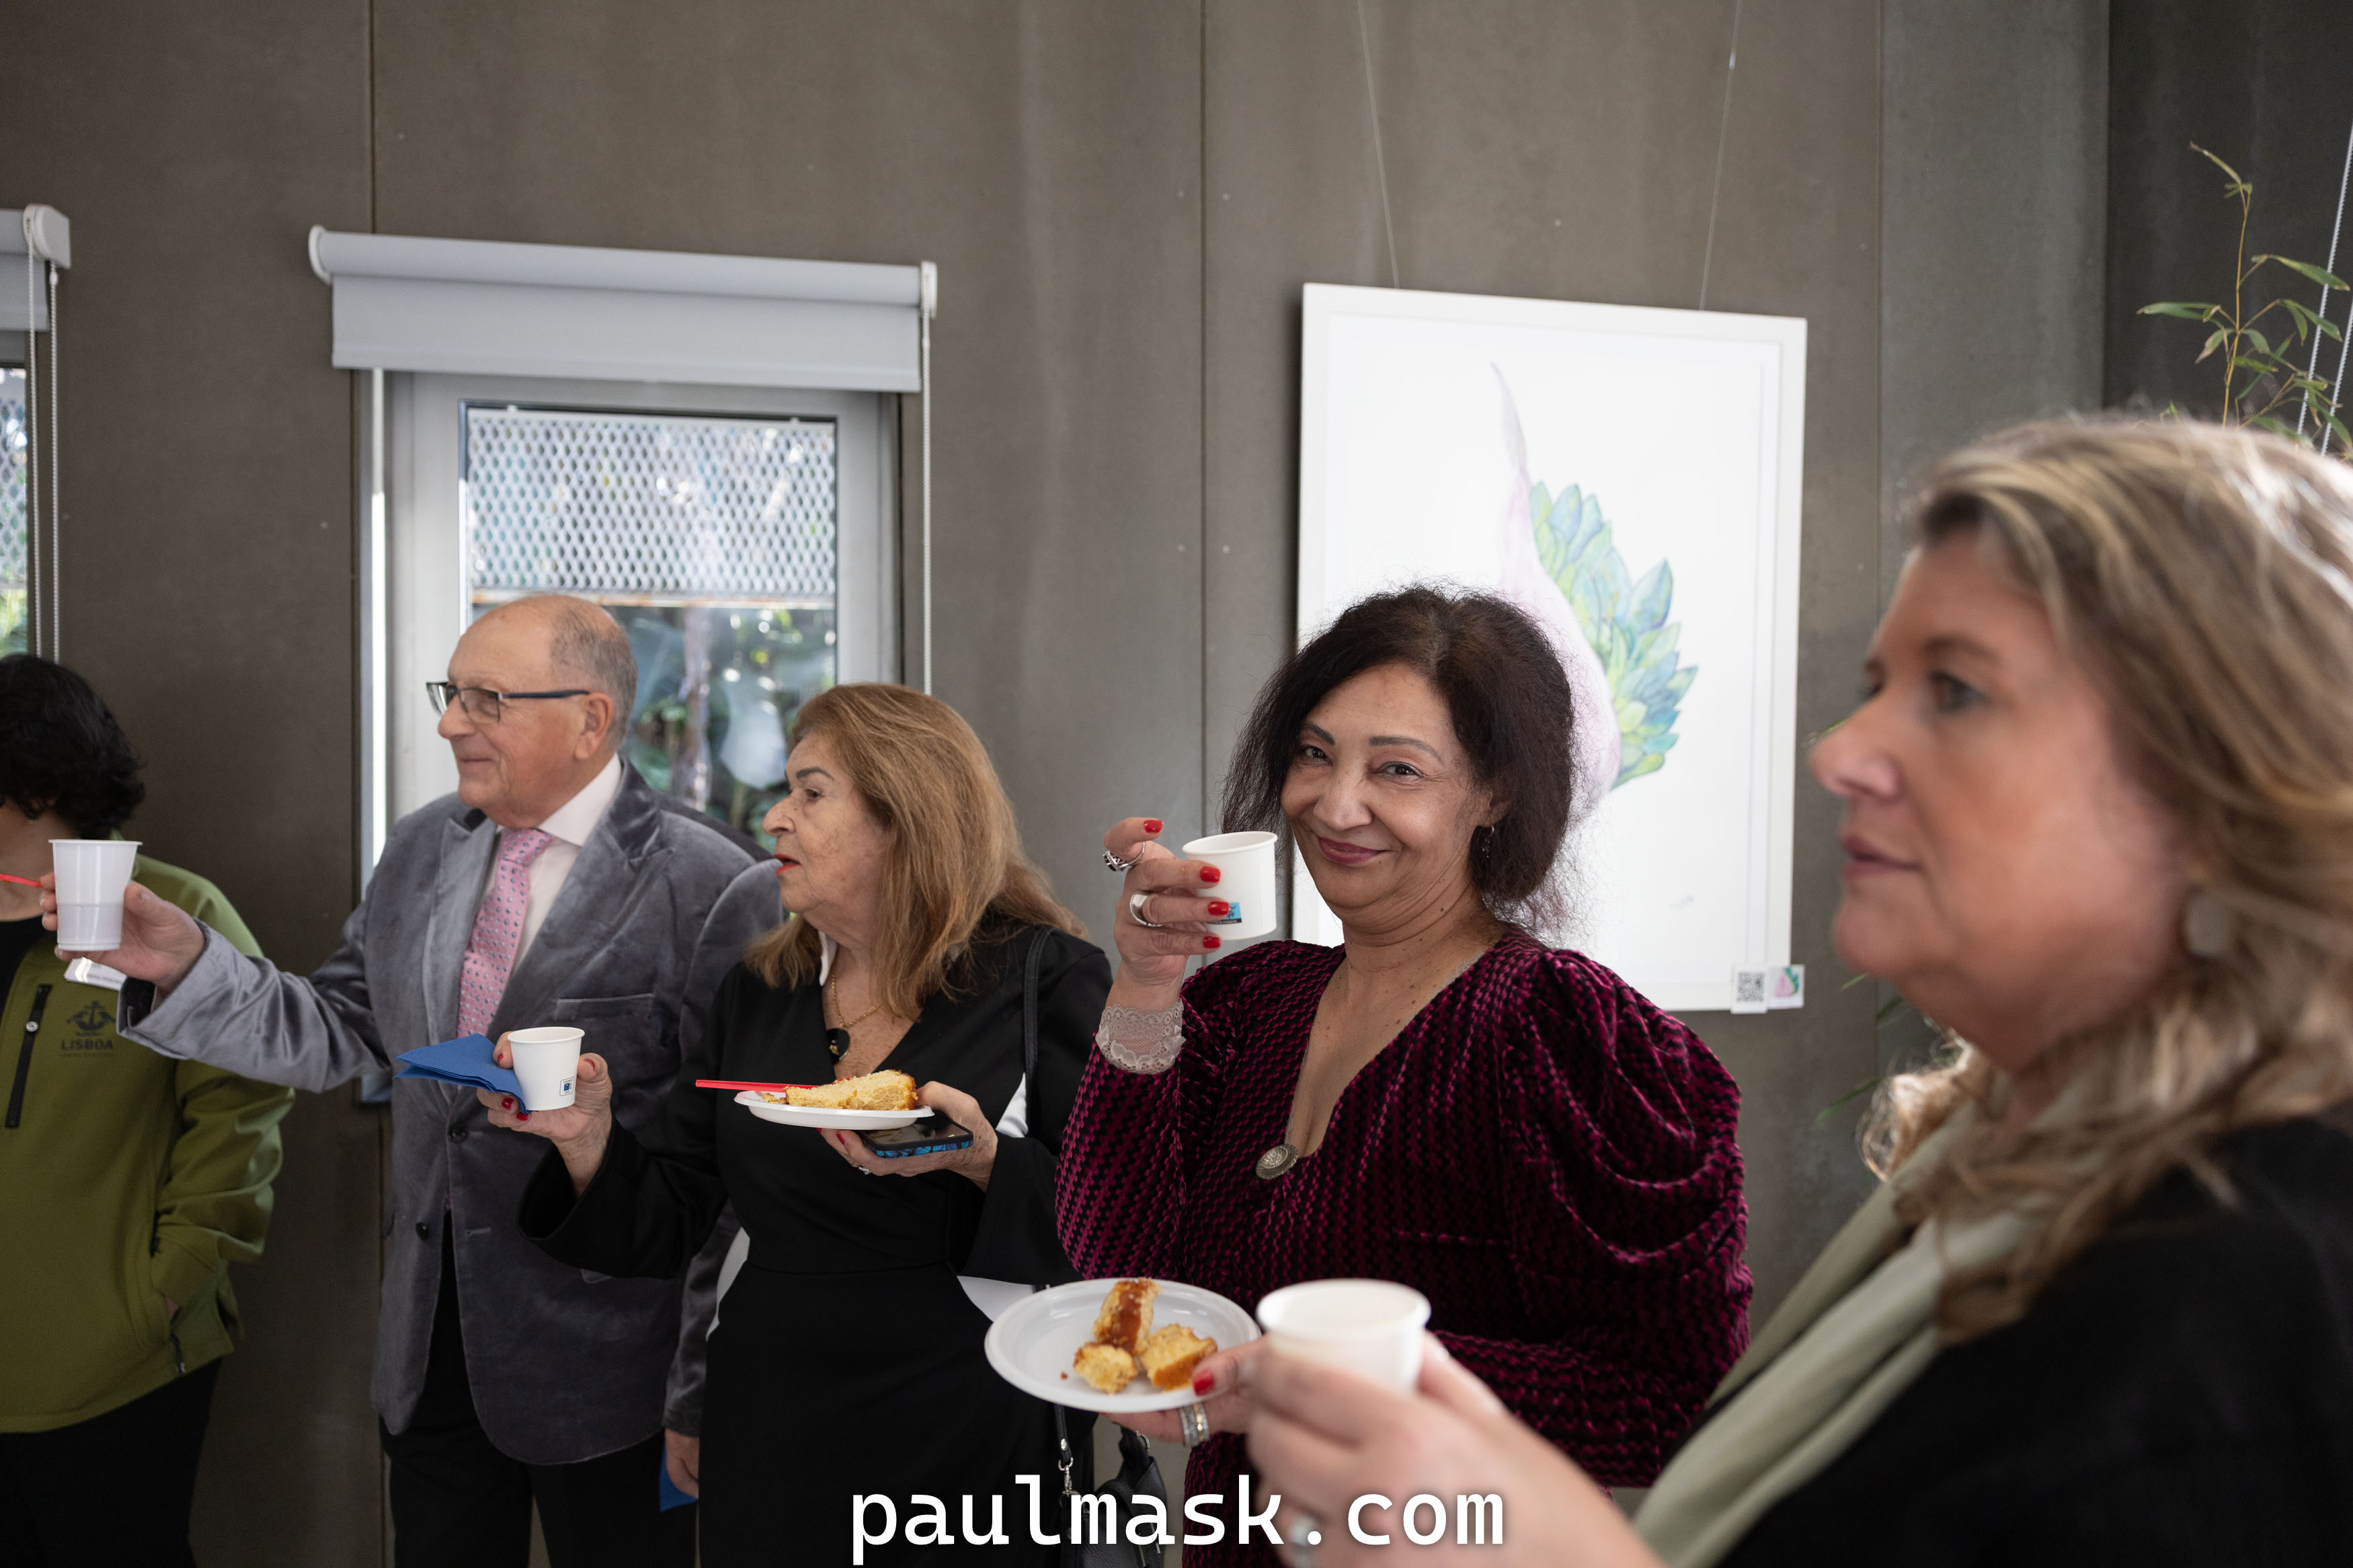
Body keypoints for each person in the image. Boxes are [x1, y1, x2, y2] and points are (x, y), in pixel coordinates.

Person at [1240, 419, 2353, 1567]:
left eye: (1956, 690)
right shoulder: (1998, 1157)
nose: (1840, 750)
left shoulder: (2263, 1293)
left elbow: (1659, 1391)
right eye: (1879, 686)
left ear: (2225, 780)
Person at [69, 595, 779, 1568]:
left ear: (591, 720)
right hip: (429, 1350)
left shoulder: (714, 881)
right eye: (451, 693)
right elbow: (339, 1026)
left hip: (616, 1373)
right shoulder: (419, 847)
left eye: (488, 699)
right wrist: (187, 964)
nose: (450, 723)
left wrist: (700, 1385)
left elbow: (737, 1178)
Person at [1060, 587, 1753, 1561]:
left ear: (1495, 793)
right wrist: (1145, 981)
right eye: (1314, 754)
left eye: (1397, 768)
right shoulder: (1255, 998)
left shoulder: (1559, 1035)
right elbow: (1119, 1262)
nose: (1336, 804)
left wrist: (1332, 1373)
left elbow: (1667, 1396)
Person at [485, 682, 1113, 1567]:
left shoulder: (1047, 980)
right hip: (775, 1418)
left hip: (972, 1410)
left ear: (906, 818)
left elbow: (1114, 1218)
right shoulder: (760, 990)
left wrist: (983, 1163)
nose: (774, 817)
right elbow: (669, 1212)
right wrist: (586, 1137)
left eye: (811, 793)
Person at [0, 656, 294, 1567]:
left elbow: (246, 1101)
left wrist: (166, 1283)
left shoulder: (171, 914)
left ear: (36, 786)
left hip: (115, 1359)